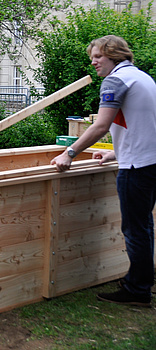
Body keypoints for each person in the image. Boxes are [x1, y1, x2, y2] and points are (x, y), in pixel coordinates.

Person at [51, 35, 156, 307]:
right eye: (92, 58)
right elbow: (141, 124)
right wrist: (115, 152)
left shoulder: (115, 80)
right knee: (144, 226)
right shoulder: (142, 78)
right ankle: (142, 279)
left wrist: (69, 153)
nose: (94, 62)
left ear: (114, 54)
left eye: (98, 56)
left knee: (135, 229)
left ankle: (138, 290)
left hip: (136, 168)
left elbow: (100, 125)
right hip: (150, 162)